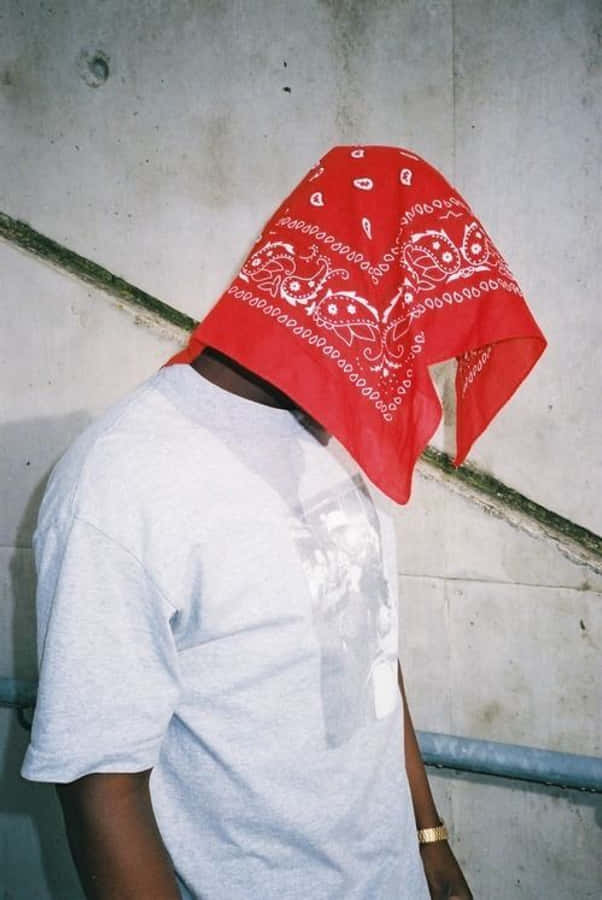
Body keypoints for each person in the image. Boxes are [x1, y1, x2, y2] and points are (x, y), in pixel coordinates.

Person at [21, 146, 546, 899]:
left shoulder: (317, 431)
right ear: (334, 298)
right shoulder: (122, 482)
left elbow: (366, 639)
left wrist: (428, 841)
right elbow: (101, 788)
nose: (407, 369)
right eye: (404, 334)